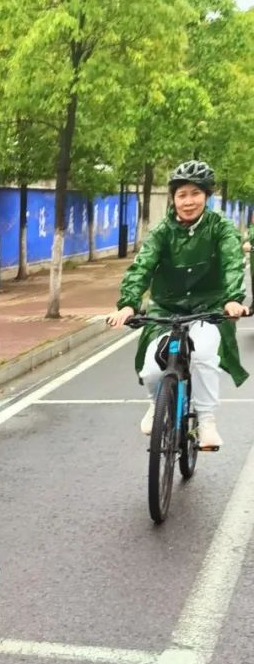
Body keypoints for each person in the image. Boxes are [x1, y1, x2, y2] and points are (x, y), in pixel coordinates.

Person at [108, 160, 247, 450]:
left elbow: (233, 263)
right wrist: (128, 304)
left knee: (204, 354)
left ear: (207, 196)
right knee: (151, 370)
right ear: (173, 198)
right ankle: (155, 404)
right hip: (166, 309)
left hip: (209, 308)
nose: (188, 201)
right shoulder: (162, 231)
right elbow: (141, 267)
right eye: (182, 194)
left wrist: (233, 299)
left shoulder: (221, 228)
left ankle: (206, 421)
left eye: (195, 193)